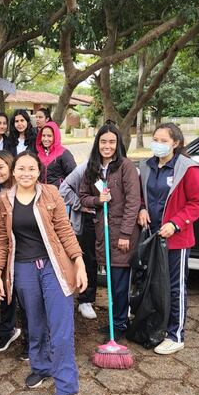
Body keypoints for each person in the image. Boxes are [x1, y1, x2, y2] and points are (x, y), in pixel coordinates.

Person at [0, 151, 88, 395]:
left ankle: (65, 386)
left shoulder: (50, 193)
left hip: (54, 266)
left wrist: (78, 262)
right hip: (23, 268)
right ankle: (42, 367)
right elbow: (1, 237)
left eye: (31, 169)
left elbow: (64, 230)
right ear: (13, 172)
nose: (26, 173)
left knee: (61, 328)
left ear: (38, 172)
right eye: (21, 168)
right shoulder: (4, 199)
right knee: (34, 324)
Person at [138, 122, 199, 355]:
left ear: (175, 143)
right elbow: (142, 195)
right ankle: (157, 325)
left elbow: (197, 203)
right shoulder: (146, 166)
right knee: (154, 284)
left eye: (164, 141)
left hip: (177, 239)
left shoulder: (187, 168)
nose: (158, 144)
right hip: (153, 237)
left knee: (175, 287)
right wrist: (142, 209)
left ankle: (176, 335)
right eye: (155, 139)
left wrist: (175, 224)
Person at [79, 123, 141, 340]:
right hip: (103, 232)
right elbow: (83, 196)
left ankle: (120, 324)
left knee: (120, 283)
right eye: (103, 141)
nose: (107, 146)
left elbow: (133, 202)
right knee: (113, 284)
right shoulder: (93, 168)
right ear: (97, 143)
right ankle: (116, 320)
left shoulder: (126, 166)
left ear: (118, 144)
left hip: (122, 235)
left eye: (112, 142)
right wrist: (98, 200)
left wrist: (125, 234)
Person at [0, 150, 27, 358]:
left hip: (26, 249)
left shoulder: (23, 188)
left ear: (11, 167)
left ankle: (31, 339)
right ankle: (7, 330)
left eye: (0, 167)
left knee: (27, 297)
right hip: (3, 247)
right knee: (5, 292)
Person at [59, 163, 98, 320]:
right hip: (88, 220)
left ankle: (120, 302)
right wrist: (79, 204)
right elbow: (64, 189)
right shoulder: (84, 169)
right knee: (89, 259)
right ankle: (85, 299)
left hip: (113, 220)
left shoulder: (123, 168)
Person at [36, 121, 76, 187]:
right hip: (43, 191)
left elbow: (74, 175)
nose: (45, 139)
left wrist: (63, 188)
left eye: (49, 136)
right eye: (43, 135)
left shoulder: (64, 153)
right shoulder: (39, 155)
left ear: (55, 136)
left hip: (59, 192)